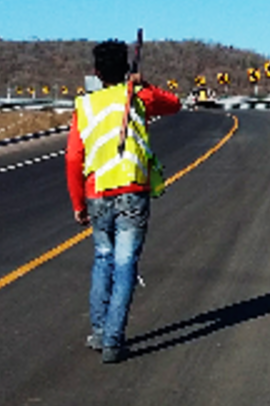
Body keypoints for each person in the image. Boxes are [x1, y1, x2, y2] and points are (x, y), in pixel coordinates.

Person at [65, 39, 181, 364]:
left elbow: (74, 157)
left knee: (103, 258)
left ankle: (100, 332)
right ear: (127, 68)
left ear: (97, 72)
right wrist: (145, 84)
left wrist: (78, 204)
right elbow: (174, 104)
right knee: (125, 262)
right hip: (132, 189)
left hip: (96, 192)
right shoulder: (137, 97)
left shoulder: (84, 105)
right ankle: (113, 341)